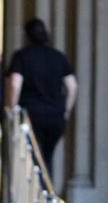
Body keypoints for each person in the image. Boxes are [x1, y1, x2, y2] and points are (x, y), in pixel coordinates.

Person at [5, 18, 77, 174]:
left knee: (34, 160)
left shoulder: (22, 56)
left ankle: (39, 196)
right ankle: (46, 194)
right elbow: (72, 86)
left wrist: (12, 109)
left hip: (32, 115)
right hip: (56, 116)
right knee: (46, 157)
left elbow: (15, 83)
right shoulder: (58, 56)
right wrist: (66, 110)